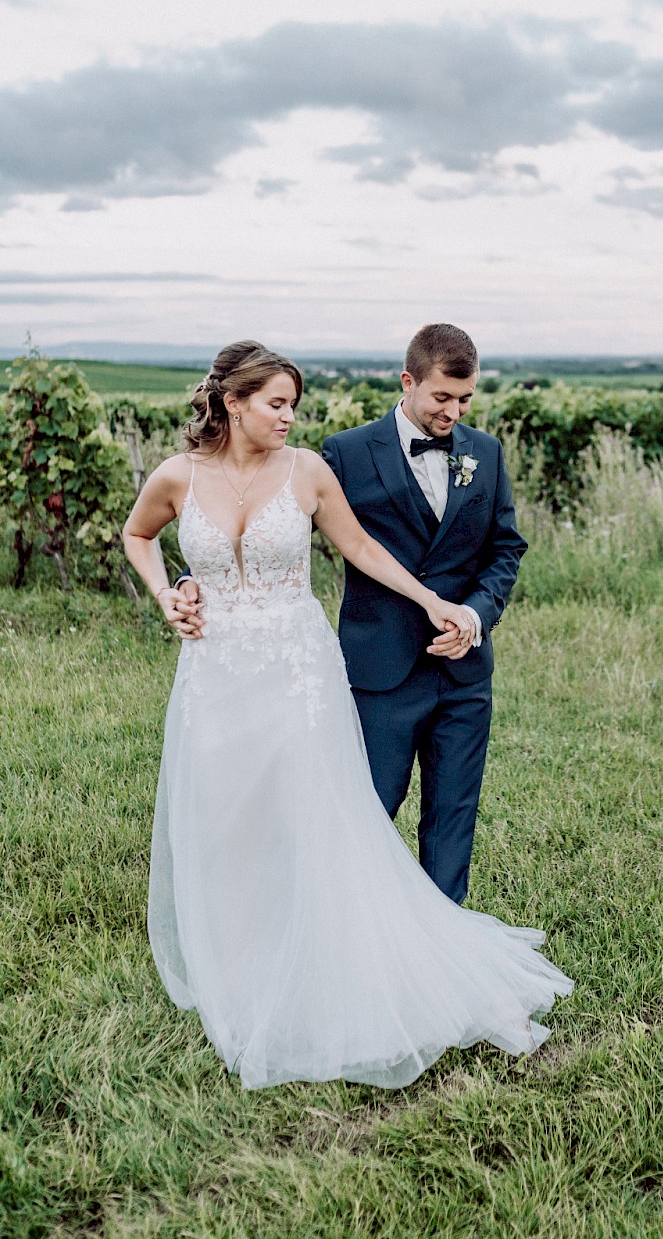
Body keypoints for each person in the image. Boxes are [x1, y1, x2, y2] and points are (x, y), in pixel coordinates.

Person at [123, 339, 571, 1091]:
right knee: (224, 811)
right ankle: (234, 957)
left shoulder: (307, 471)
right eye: (276, 404)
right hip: (215, 672)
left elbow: (361, 547)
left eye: (294, 405)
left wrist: (436, 602)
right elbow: (138, 537)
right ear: (234, 403)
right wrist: (170, 590)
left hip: (297, 670)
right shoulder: (176, 476)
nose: (289, 418)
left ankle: (318, 950)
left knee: (311, 813)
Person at [320, 323, 526, 905]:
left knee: (453, 816)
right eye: (442, 397)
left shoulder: (485, 452)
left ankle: (446, 941)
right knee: (370, 809)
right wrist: (193, 577)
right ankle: (350, 928)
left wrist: (475, 615)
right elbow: (274, 530)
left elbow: (504, 549)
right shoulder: (345, 452)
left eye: (465, 399)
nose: (454, 411)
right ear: (408, 382)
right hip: (380, 669)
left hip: (464, 673)